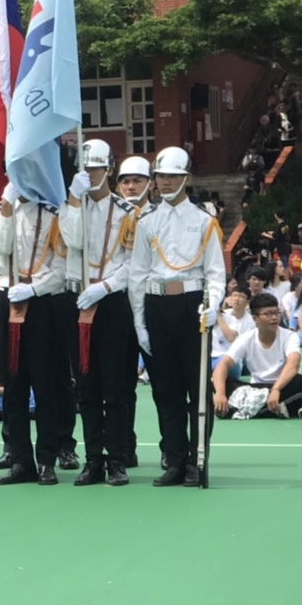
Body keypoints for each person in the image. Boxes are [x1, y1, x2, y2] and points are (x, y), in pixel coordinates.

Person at [127, 146, 227, 487]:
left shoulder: (204, 222)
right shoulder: (147, 222)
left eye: (172, 176)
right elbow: (137, 274)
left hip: (192, 307)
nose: (165, 182)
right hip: (157, 307)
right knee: (165, 391)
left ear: (187, 179)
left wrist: (213, 305)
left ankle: (198, 460)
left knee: (198, 390)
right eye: (161, 176)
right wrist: (139, 322)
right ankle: (175, 459)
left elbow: (215, 271)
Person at [62, 143, 141, 486]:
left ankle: (117, 460)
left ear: (109, 169)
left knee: (114, 387)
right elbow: (73, 240)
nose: (91, 174)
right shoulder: (69, 207)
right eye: (86, 169)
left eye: (97, 169)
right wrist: (75, 200)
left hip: (110, 301)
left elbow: (132, 263)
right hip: (78, 299)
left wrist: (106, 287)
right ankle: (93, 459)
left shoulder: (127, 212)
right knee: (86, 386)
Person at [0, 177, 69, 486]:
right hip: (7, 297)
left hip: (39, 302)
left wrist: (33, 289)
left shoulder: (52, 216)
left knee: (44, 382)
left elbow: (60, 271)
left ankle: (47, 459)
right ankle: (21, 460)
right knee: (14, 383)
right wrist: (7, 208)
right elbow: (0, 247)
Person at [211, 293, 302, 419]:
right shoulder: (246, 338)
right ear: (255, 318)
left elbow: (293, 364)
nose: (274, 317)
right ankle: (270, 409)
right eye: (267, 314)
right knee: (215, 382)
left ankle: (241, 409)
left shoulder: (289, 336)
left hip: (282, 387)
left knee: (300, 383)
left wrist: (276, 389)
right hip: (254, 389)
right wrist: (220, 394)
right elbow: (223, 364)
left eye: (277, 313)